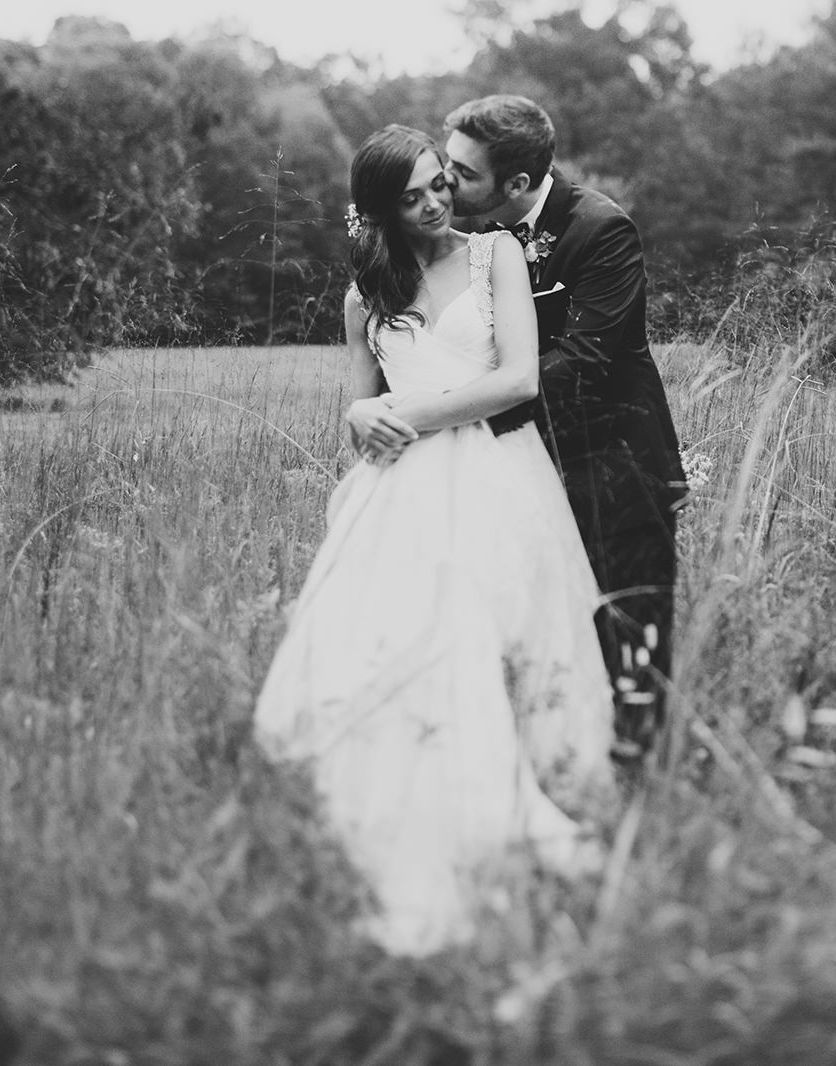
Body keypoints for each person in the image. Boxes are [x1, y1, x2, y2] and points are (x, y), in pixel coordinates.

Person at [253, 125, 614, 957]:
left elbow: (518, 379)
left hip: (494, 474)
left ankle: (504, 793)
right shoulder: (364, 294)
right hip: (398, 493)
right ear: (379, 208)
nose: (433, 202)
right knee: (395, 646)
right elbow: (363, 409)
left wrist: (407, 415)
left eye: (438, 184)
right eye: (412, 195)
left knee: (484, 637)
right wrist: (357, 413)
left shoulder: (495, 259)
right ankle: (404, 787)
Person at [442, 95, 688, 761]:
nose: (446, 179)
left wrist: (461, 405)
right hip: (521, 473)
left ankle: (641, 782)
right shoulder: (463, 244)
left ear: (515, 184)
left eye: (464, 172)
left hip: (614, 474)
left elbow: (588, 361)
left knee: (630, 640)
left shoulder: (599, 231)